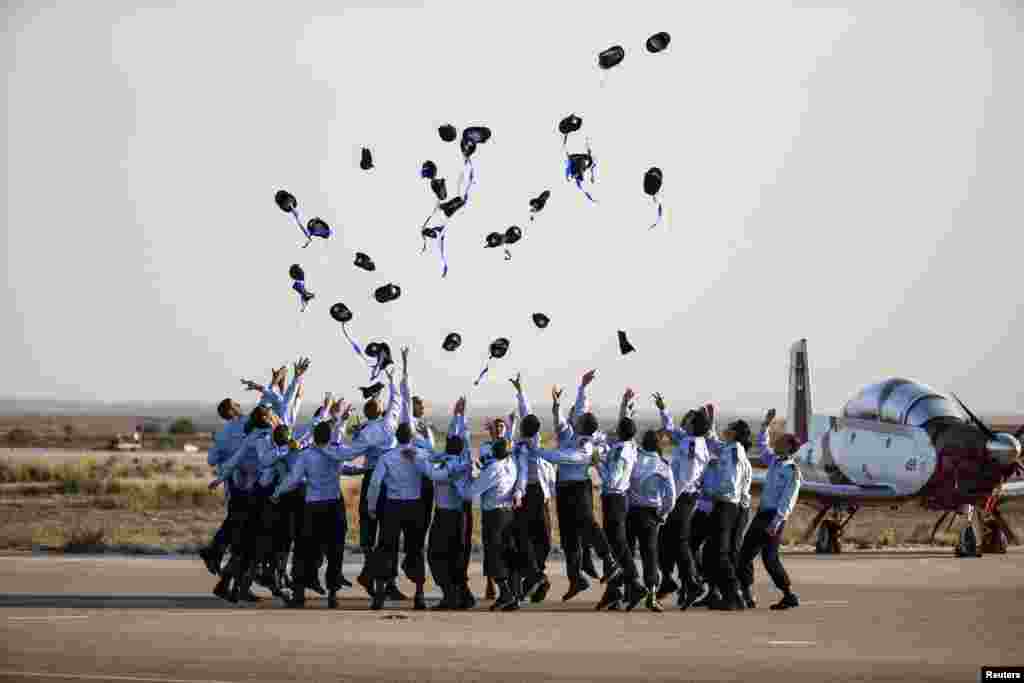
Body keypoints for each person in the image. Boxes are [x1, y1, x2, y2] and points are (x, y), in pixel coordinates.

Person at [547, 372, 623, 601]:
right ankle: (575, 579)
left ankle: (609, 561)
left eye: (578, 417)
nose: (576, 416)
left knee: (589, 524)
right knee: (569, 534)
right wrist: (560, 402)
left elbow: (583, 411)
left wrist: (582, 387)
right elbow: (561, 418)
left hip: (580, 487)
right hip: (563, 487)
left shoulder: (588, 438)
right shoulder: (567, 431)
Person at [270, 417, 358, 609]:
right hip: (333, 506)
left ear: (314, 437)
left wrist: (277, 493)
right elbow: (352, 457)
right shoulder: (336, 453)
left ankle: (299, 594)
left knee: (303, 550)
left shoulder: (306, 455)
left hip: (312, 507)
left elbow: (293, 479)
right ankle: (333, 595)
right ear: (329, 437)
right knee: (335, 551)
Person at [330, 368, 402, 600]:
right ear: (379, 411)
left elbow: (348, 453)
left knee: (371, 532)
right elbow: (397, 400)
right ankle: (381, 579)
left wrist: (338, 430)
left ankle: (375, 575)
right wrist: (392, 379)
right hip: (389, 480)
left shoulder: (367, 432)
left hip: (374, 478)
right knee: (387, 532)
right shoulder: (388, 423)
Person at [366, 420, 434, 610]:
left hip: (392, 507)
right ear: (412, 437)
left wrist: (371, 506)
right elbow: (430, 474)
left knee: (386, 548)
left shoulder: (386, 457)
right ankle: (419, 594)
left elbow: (374, 484)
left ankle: (379, 594)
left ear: (396, 437)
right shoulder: (420, 455)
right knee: (417, 549)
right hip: (415, 506)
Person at [736, 409, 801, 610]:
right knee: (750, 555)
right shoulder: (774, 461)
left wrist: (776, 522)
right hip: (762, 514)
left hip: (773, 518)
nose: (777, 443)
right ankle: (750, 594)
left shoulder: (792, 471)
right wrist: (765, 425)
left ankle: (785, 594)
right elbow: (762, 446)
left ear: (790, 448)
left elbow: (788, 500)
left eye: (781, 442)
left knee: (764, 557)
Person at [654, 397, 713, 609]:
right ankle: (671, 580)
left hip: (682, 497)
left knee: (678, 541)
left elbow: (684, 477)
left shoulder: (691, 445)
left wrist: (669, 500)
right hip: (684, 497)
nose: (684, 421)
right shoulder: (691, 440)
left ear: (692, 425)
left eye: (687, 419)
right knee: (667, 540)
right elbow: (670, 430)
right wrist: (663, 410)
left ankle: (691, 582)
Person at [456, 436, 521, 611]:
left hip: (494, 516)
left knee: (494, 555)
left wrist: (459, 481)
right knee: (508, 554)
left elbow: (471, 492)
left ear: (494, 452)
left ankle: (505, 593)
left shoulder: (493, 469)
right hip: (508, 514)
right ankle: (514, 596)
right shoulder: (512, 464)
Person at [594, 389, 643, 611]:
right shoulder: (630, 445)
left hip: (614, 498)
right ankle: (616, 591)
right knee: (616, 546)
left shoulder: (620, 451)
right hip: (618, 499)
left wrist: (597, 463)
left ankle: (634, 582)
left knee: (618, 544)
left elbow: (611, 479)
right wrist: (625, 404)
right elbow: (626, 425)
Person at [424, 397, 474, 609]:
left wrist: (415, 459)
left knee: (436, 555)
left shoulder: (452, 467)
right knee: (457, 556)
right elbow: (461, 437)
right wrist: (458, 416)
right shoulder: (463, 461)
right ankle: (463, 595)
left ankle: (450, 595)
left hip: (447, 516)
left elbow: (433, 474)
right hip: (459, 515)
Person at [510, 374, 557, 604]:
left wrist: (520, 391)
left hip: (539, 493)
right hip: (526, 493)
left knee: (544, 540)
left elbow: (526, 411)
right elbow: (519, 474)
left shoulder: (534, 441)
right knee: (526, 539)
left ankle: (534, 576)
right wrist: (518, 494)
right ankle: (535, 577)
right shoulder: (520, 447)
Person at [702, 418, 752, 610]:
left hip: (726, 505)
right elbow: (714, 442)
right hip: (729, 505)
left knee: (720, 552)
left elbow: (730, 483)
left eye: (729, 428)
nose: (726, 429)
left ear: (734, 433)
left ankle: (733, 593)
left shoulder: (733, 452)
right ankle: (726, 593)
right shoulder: (730, 449)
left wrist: (711, 492)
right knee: (714, 552)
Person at [626, 430, 677, 612]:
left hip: (631, 511)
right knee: (650, 555)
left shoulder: (634, 459)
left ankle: (629, 590)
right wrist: (662, 514)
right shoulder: (663, 465)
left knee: (628, 552)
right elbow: (671, 497)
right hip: (650, 514)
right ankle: (652, 593)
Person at [201, 396, 248, 583]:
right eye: (236, 404)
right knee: (240, 526)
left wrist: (223, 456)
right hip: (244, 484)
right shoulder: (245, 425)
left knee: (236, 523)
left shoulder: (223, 433)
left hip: (233, 483)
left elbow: (211, 460)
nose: (239, 404)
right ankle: (218, 557)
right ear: (231, 410)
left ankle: (216, 554)